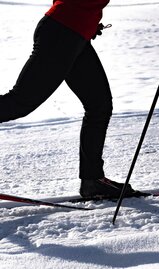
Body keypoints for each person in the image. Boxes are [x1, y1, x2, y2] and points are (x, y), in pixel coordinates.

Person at [0, 0, 135, 198]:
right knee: (19, 102)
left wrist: (86, 22)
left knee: (99, 105)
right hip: (63, 32)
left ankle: (92, 180)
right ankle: (92, 179)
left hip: (74, 33)